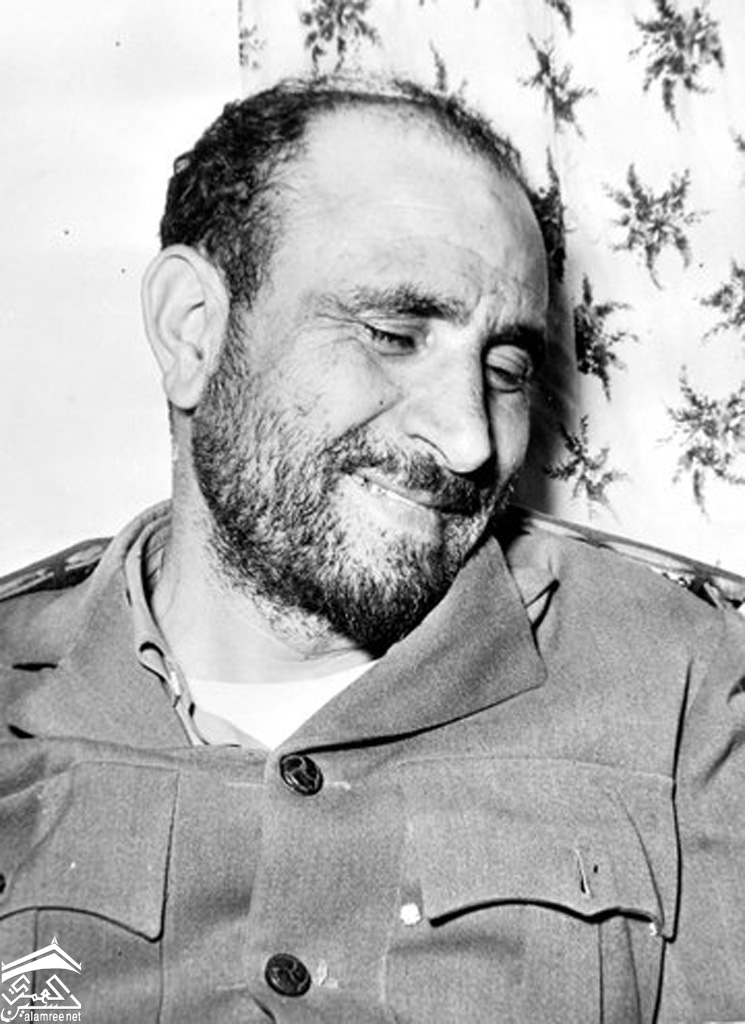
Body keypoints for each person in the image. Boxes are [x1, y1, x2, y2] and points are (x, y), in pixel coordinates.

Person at [0, 76, 743, 1024]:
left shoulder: (686, 691)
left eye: (505, 369)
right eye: (394, 334)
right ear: (193, 332)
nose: (468, 441)